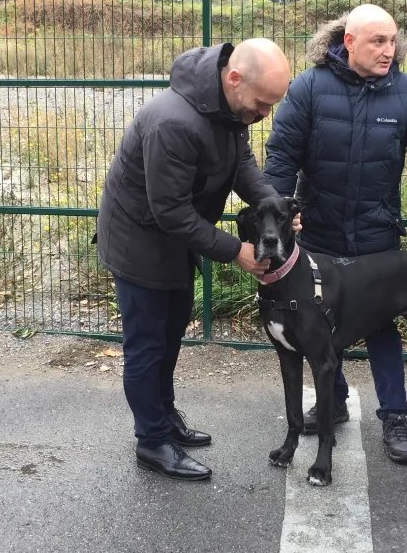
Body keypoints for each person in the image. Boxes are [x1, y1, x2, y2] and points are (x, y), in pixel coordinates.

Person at [263, 4, 407, 465]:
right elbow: (281, 157)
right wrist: (279, 214)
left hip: (377, 234)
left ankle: (395, 416)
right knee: (317, 322)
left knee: (381, 326)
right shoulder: (309, 88)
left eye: (393, 40)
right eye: (378, 41)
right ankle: (332, 404)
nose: (390, 50)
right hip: (319, 232)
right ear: (348, 42)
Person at [96, 38, 297, 481]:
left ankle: (164, 417)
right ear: (234, 78)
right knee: (147, 346)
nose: (265, 114)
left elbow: (242, 165)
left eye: (272, 105)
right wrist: (236, 251)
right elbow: (169, 210)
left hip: (175, 240)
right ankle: (152, 441)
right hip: (139, 242)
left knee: (169, 337)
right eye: (262, 104)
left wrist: (274, 206)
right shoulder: (174, 121)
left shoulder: (230, 110)